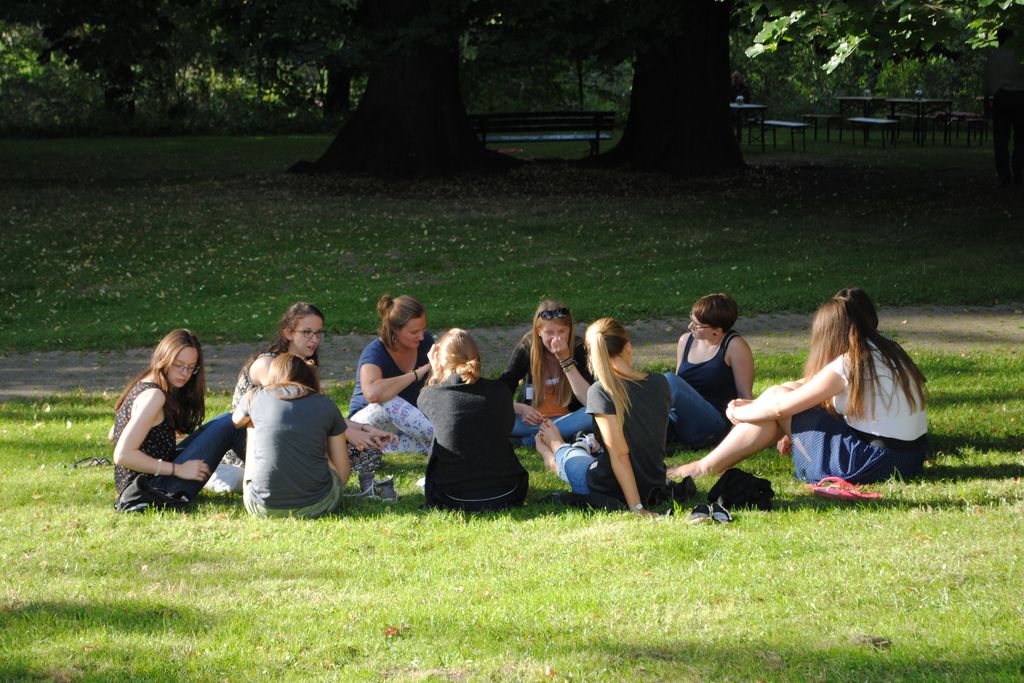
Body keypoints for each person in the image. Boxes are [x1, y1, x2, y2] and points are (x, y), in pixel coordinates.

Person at [667, 290, 928, 484]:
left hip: (866, 462)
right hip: (908, 459)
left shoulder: (848, 364)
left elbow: (781, 406)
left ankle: (703, 467)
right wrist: (760, 405)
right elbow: (803, 386)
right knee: (778, 398)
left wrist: (739, 413)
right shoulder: (887, 350)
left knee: (777, 402)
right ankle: (705, 466)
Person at [231, 302, 394, 496]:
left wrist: (364, 429)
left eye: (318, 333)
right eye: (307, 332)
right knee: (353, 449)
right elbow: (292, 411)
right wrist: (349, 434)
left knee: (368, 451)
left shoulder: (306, 364)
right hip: (259, 440)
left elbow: (315, 411)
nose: (314, 339)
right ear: (288, 333)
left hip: (297, 431)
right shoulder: (267, 363)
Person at [536, 318, 669, 516]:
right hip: (654, 483)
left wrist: (637, 507)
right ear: (628, 347)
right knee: (593, 452)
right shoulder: (660, 382)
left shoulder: (600, 392)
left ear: (593, 356)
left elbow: (620, 454)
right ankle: (568, 450)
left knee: (570, 455)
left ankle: (554, 452)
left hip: (611, 488)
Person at [111, 329, 245, 503]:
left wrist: (157, 433)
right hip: (150, 490)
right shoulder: (154, 396)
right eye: (178, 365)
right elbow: (122, 455)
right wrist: (177, 469)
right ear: (163, 359)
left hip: (146, 483)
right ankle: (275, 484)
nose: (185, 373)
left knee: (227, 419)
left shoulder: (144, 381)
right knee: (231, 424)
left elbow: (113, 432)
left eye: (191, 367)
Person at [417, 329, 529, 511]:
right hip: (510, 492)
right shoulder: (501, 391)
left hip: (451, 497)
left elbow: (432, 402)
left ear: (440, 362)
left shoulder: (431, 395)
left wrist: (436, 374)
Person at [232, 354, 351, 518]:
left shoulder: (255, 396)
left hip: (261, 507)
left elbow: (236, 420)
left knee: (251, 423)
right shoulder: (326, 404)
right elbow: (343, 476)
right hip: (320, 504)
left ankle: (260, 484)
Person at [663, 293, 754, 450]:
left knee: (669, 381)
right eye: (691, 319)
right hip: (685, 422)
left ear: (717, 331)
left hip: (714, 424)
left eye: (697, 325)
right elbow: (678, 394)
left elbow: (745, 396)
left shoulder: (734, 346)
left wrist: (747, 433)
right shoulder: (685, 341)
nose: (690, 327)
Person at [498, 300, 595, 448]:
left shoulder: (578, 348)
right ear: (538, 332)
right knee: (491, 415)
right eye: (549, 333)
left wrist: (566, 361)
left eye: (562, 332)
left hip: (568, 418)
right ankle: (552, 436)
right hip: (530, 422)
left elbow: (590, 402)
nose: (556, 339)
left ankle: (531, 440)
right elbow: (500, 392)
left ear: (570, 330)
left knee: (592, 416)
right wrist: (521, 409)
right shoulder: (528, 347)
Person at [348, 294, 434, 455]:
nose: (421, 336)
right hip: (362, 426)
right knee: (389, 401)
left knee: (429, 446)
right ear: (395, 329)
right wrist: (417, 374)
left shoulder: (425, 342)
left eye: (423, 330)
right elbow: (373, 394)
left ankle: (375, 450)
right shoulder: (375, 353)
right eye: (414, 332)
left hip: (399, 428)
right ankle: (444, 439)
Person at [984, 28, 1024, 187]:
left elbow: (987, 81)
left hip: (1001, 98)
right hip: (1021, 97)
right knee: (1021, 138)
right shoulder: (1020, 55)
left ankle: (1004, 175)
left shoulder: (995, 56)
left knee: (1001, 140)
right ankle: (1018, 171)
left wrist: (986, 101)